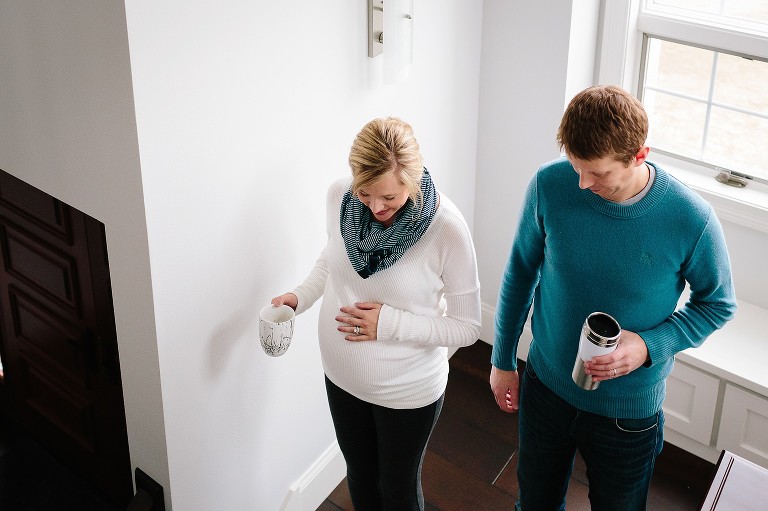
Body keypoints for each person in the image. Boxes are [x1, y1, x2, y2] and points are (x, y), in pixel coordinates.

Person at [489, 85, 737, 511]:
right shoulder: (550, 184)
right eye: (576, 167)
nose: (582, 184)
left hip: (628, 414)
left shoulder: (690, 219)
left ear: (639, 155)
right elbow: (520, 272)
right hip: (546, 389)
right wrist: (502, 359)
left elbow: (718, 305)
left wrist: (647, 346)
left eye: (597, 173)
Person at [271, 117, 481, 510]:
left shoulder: (446, 228)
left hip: (406, 390)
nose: (375, 206)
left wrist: (389, 323)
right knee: (361, 480)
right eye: (365, 194)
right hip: (341, 376)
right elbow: (332, 257)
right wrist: (299, 298)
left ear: (412, 182)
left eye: (389, 197)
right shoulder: (340, 196)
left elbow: (468, 327)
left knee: (398, 491)